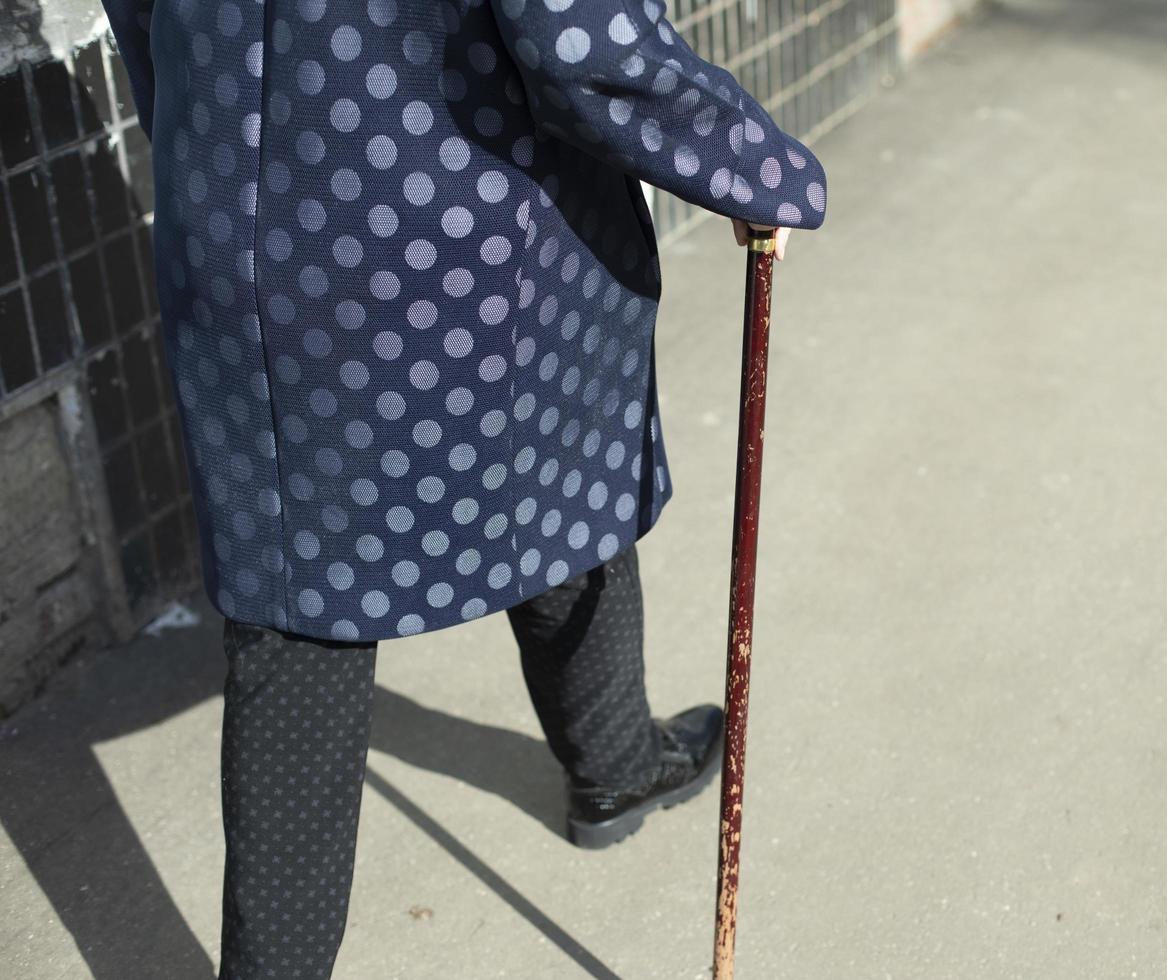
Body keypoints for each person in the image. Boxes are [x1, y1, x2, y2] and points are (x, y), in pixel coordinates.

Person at [98, 0, 828, 975]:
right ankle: (612, 767)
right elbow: (582, 41)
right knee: (561, 460)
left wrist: (217, 148)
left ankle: (612, 760)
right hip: (474, 227)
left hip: (240, 224)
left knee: (299, 598)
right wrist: (757, 166)